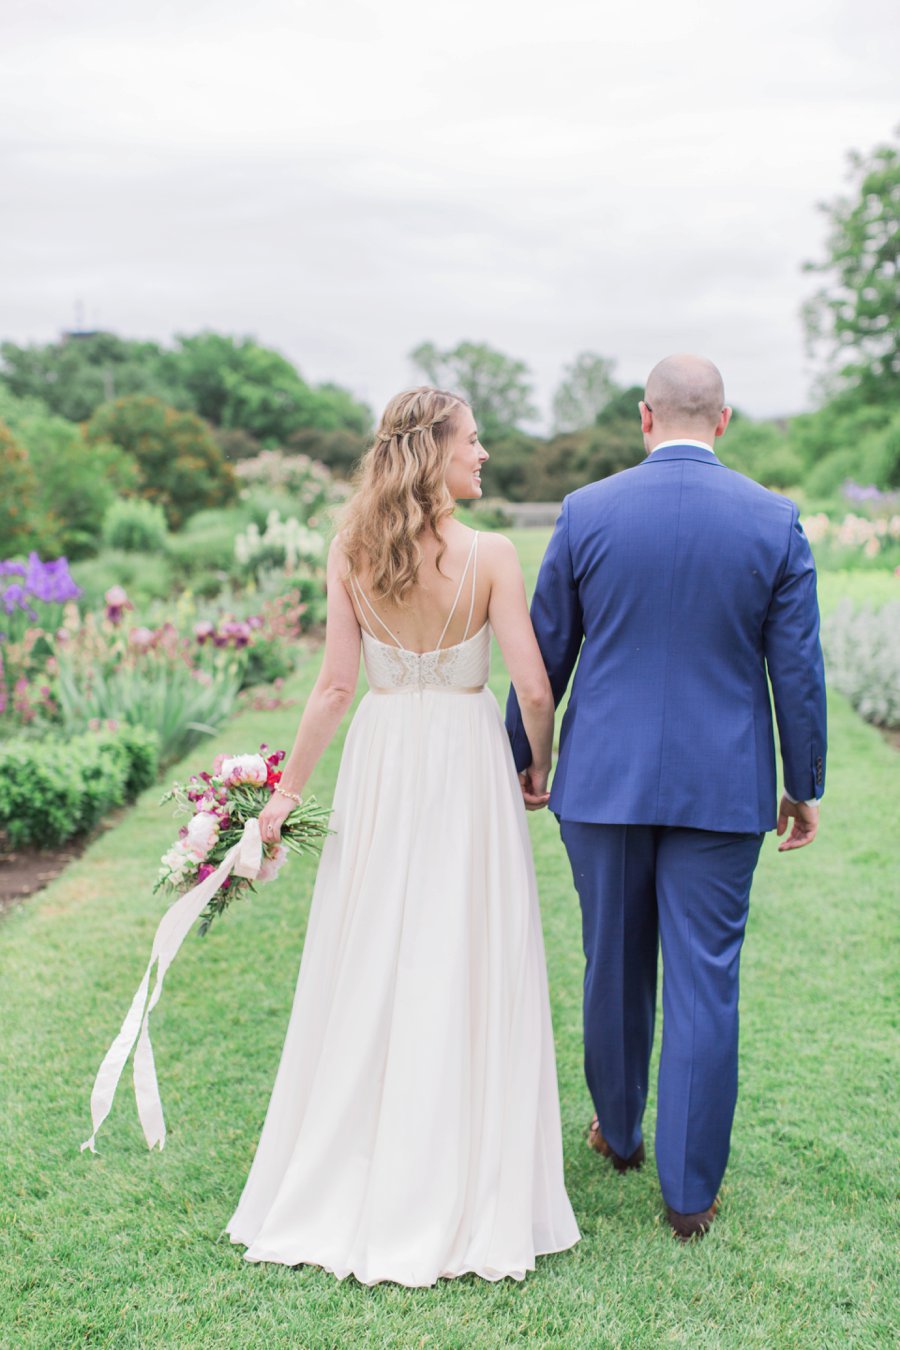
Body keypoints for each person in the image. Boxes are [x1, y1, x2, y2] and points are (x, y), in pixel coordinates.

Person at [226, 387, 580, 1284]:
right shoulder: (491, 555)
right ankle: (458, 1165)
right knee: (466, 948)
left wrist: (286, 792)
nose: (486, 453)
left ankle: (360, 1158)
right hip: (465, 757)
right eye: (474, 440)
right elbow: (534, 691)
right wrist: (536, 765)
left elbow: (334, 688)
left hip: (383, 758)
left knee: (373, 947)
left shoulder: (352, 549)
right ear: (436, 450)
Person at [506, 354, 827, 1241]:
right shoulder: (774, 520)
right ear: (723, 420)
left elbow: (544, 653)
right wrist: (803, 783)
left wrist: (522, 760)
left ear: (646, 419)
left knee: (612, 958)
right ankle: (689, 1194)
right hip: (723, 788)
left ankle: (618, 1133)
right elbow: (796, 670)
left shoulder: (587, 511)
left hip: (602, 782)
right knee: (704, 981)